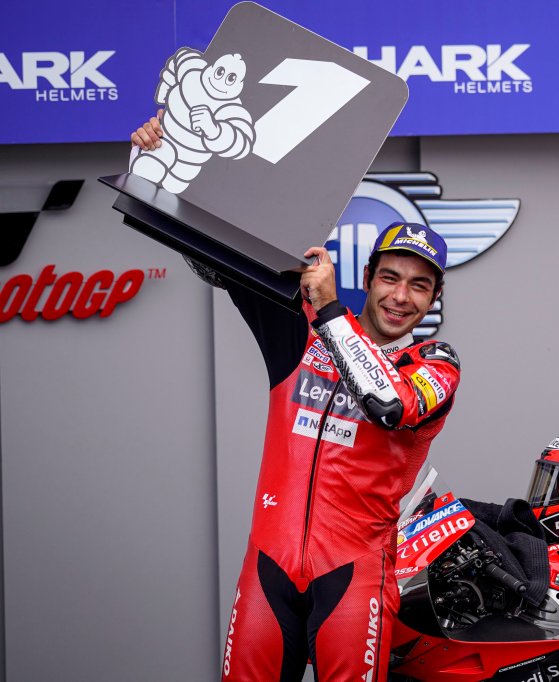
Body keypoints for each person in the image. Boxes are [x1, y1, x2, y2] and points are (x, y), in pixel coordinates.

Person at [132, 118, 462, 682]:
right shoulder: (302, 332)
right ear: (369, 277)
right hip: (269, 566)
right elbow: (216, 262)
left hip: (354, 576)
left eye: (419, 285)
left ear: (434, 297)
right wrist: (170, 162)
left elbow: (388, 405)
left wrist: (331, 310)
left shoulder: (435, 364)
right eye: (390, 278)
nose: (400, 296)